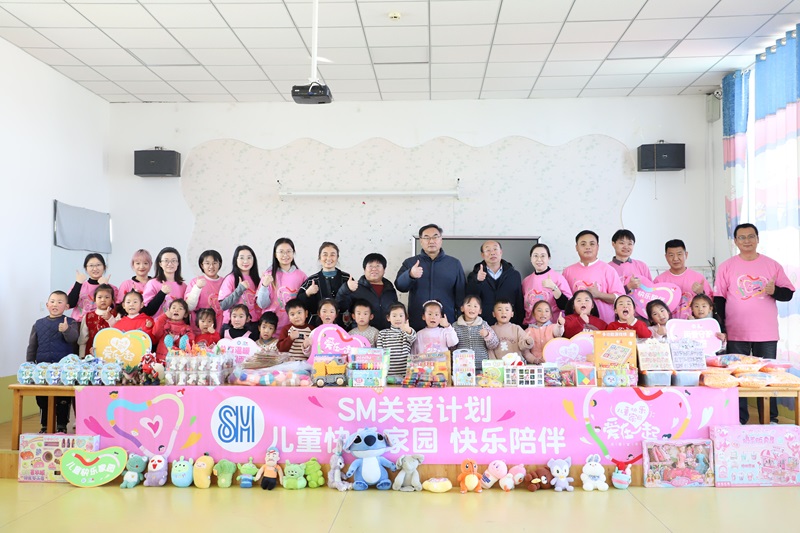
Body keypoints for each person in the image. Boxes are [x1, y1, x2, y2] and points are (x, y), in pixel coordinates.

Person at [713, 223, 795, 424]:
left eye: (751, 236)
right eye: (742, 237)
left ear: (758, 239)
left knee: (768, 376)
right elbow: (719, 299)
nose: (747, 241)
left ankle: (770, 419)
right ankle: (739, 419)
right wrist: (722, 327)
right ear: (735, 241)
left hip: (766, 332)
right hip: (736, 331)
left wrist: (774, 291)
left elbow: (788, 294)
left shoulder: (772, 265)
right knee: (737, 377)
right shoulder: (726, 266)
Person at [396, 224, 466, 330]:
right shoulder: (410, 262)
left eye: (435, 237)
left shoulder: (454, 263)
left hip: (445, 322)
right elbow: (400, 286)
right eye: (426, 237)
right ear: (421, 241)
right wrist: (410, 275)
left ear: (441, 240)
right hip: (418, 321)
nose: (431, 241)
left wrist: (461, 320)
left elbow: (461, 295)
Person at [26, 291, 78, 433]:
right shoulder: (38, 324)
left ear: (66, 306)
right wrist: (29, 364)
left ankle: (61, 425)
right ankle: (45, 425)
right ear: (47, 305)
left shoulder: (71, 322)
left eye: (60, 302)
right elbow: (32, 346)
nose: (55, 304)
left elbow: (74, 338)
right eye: (53, 301)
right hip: (42, 369)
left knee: (63, 399)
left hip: (64, 370)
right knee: (42, 398)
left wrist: (66, 330)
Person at [562, 230, 625, 324]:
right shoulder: (568, 271)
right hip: (575, 326)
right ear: (576, 247)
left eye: (592, 244)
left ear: (597, 247)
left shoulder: (608, 270)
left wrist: (599, 294)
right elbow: (564, 301)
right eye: (583, 244)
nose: (588, 247)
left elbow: (620, 298)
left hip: (604, 324)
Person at [466, 240, 524, 326]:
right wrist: (477, 281)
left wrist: (520, 324)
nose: (492, 253)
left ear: (501, 252)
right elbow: (470, 300)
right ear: (482, 255)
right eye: (488, 250)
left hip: (509, 325)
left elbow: (519, 301)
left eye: (495, 249)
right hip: (483, 325)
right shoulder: (474, 276)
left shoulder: (514, 275)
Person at [336, 253, 399, 330]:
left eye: (378, 266)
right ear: (364, 269)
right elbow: (340, 306)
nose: (374, 269)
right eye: (370, 266)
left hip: (387, 334)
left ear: (384, 270)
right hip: (362, 334)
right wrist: (346, 288)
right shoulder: (355, 288)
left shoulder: (390, 290)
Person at [654, 239, 713, 319]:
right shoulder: (659, 281)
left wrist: (701, 293)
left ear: (686, 254)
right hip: (669, 324)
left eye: (679, 254)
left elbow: (710, 303)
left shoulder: (698, 278)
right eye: (671, 255)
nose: (675, 258)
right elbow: (653, 307)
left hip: (694, 323)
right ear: (666, 257)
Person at [257, 238, 308, 332]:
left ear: (293, 253)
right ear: (275, 255)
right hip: (271, 330)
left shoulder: (301, 276)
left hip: (294, 330)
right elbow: (262, 304)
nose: (285, 255)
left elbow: (305, 304)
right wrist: (264, 286)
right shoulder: (268, 275)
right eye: (281, 252)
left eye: (289, 251)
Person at [297, 242, 350, 327]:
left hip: (344, 326)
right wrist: (307, 293)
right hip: (316, 327)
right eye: (325, 254)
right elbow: (298, 304)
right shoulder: (311, 281)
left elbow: (357, 304)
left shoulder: (347, 279)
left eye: (332, 254)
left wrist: (351, 290)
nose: (328, 258)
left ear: (337, 257)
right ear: (319, 257)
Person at [521, 243, 572, 325]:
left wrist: (554, 287)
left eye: (543, 256)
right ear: (531, 259)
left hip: (552, 327)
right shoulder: (526, 281)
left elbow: (567, 306)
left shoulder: (558, 278)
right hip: (531, 326)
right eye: (535, 256)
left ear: (549, 258)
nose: (539, 259)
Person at [453, 295, 499, 372]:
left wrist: (487, 335)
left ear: (480, 311)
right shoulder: (455, 326)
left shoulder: (484, 325)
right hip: (462, 368)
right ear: (462, 308)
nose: (472, 308)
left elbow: (494, 344)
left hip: (482, 367)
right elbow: (451, 348)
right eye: (469, 305)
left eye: (475, 306)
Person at [68, 253, 116, 322]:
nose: (95, 268)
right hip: (79, 322)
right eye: (91, 265)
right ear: (86, 268)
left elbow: (113, 309)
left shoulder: (112, 288)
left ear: (104, 267)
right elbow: (69, 304)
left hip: (102, 323)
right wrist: (78, 284)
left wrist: (104, 286)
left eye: (98, 265)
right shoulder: (79, 285)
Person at [219, 245, 260, 325]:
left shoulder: (257, 280)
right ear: (236, 260)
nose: (245, 261)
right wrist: (240, 289)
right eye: (241, 258)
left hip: (252, 323)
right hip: (233, 324)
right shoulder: (230, 278)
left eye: (249, 258)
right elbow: (223, 305)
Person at [142, 247, 187, 319]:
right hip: (157, 324)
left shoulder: (183, 286)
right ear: (160, 263)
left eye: (173, 261)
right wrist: (162, 293)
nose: (170, 264)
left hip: (177, 325)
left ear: (178, 263)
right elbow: (148, 311)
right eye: (166, 261)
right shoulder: (152, 283)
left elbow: (186, 312)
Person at [185, 249, 224, 329]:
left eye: (214, 263)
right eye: (207, 263)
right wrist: (197, 287)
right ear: (202, 265)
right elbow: (189, 307)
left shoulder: (225, 282)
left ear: (219, 264)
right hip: (199, 331)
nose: (211, 266)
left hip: (219, 330)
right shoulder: (195, 282)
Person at [376, 303, 417, 379]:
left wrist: (408, 329)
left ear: (406, 317)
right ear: (388, 318)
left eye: (401, 316)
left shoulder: (407, 332)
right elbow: (379, 353)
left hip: (405, 375)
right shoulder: (382, 333)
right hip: (387, 375)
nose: (398, 318)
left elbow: (413, 337)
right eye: (394, 316)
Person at [78, 284, 117, 357]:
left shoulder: (116, 315)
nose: (103, 300)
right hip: (91, 353)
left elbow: (118, 332)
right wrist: (81, 356)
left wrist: (110, 318)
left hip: (110, 352)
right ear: (94, 299)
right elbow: (83, 339)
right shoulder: (88, 316)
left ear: (112, 300)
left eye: (107, 297)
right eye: (99, 297)